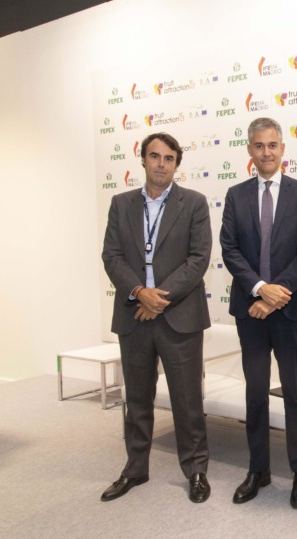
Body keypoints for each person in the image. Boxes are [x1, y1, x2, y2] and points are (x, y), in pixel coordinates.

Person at [101, 132, 212, 503]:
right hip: (133, 316)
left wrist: (157, 298)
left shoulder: (194, 203)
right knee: (137, 399)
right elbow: (111, 256)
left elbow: (198, 259)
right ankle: (135, 468)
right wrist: (138, 292)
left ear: (176, 164)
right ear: (143, 159)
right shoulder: (121, 204)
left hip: (178, 316)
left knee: (187, 401)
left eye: (168, 158)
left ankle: (196, 470)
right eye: (154, 156)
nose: (161, 164)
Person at [220, 117, 297, 509]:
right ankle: (258, 469)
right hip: (251, 310)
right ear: (249, 150)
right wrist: (260, 289)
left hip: (290, 309)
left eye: (272, 145)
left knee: (294, 391)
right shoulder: (235, 195)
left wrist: (276, 295)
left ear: (282, 148)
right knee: (255, 392)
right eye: (259, 145)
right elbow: (230, 250)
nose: (266, 152)